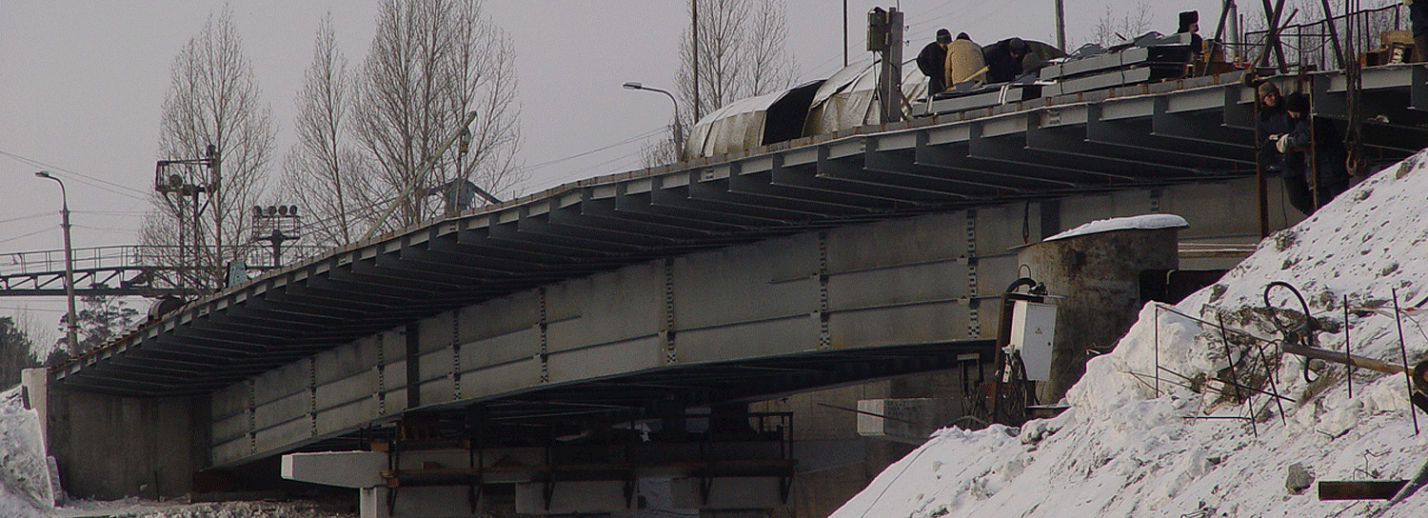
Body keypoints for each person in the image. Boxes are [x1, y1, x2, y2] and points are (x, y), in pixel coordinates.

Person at [1270, 92, 1350, 214]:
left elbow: (1306, 137)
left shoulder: (1310, 121)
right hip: (1327, 172)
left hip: (1329, 172)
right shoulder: (1311, 118)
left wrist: (1289, 141)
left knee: (1335, 208)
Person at [1255, 81, 1292, 174]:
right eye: (1269, 96)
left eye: (1275, 94)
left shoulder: (1286, 109)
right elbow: (1262, 138)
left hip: (1293, 149)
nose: (1274, 98)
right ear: (1264, 99)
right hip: (1277, 154)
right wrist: (1273, 139)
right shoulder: (1262, 117)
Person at [918, 29, 953, 96]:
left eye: (947, 43)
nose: (946, 46)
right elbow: (920, 60)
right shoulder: (931, 49)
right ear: (938, 43)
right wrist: (929, 72)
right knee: (935, 98)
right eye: (943, 44)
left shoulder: (952, 49)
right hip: (936, 80)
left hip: (950, 78)